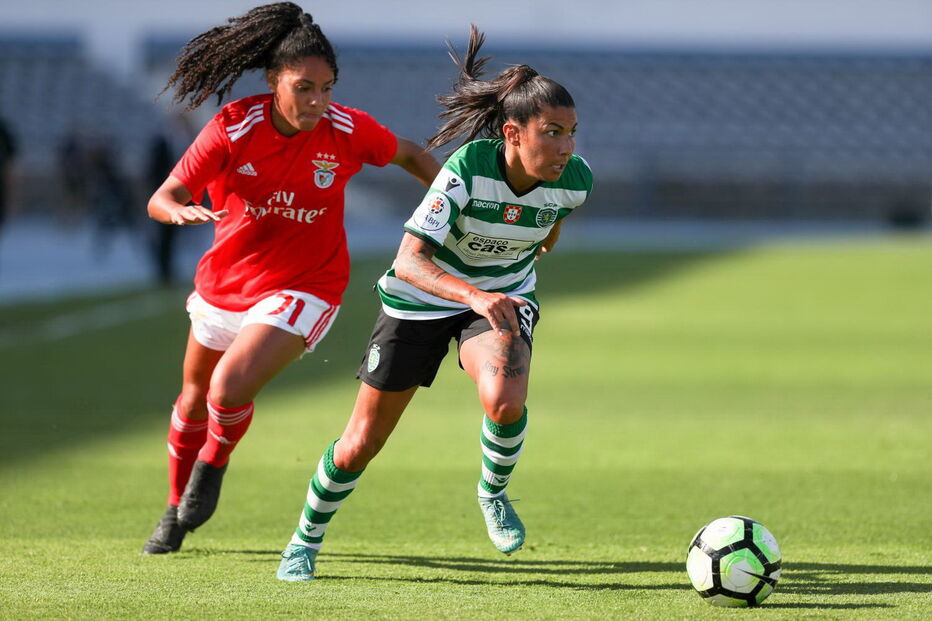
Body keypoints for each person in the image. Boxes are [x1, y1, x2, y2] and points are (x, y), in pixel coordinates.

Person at [276, 26, 593, 582]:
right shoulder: (468, 168)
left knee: (504, 398)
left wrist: (516, 272)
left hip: (498, 299)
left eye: (571, 132)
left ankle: (492, 493)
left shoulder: (575, 180)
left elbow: (550, 225)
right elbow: (408, 261)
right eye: (553, 133)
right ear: (513, 133)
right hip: (419, 299)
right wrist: (474, 292)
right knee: (359, 446)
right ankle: (304, 539)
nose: (566, 147)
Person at [142, 2, 440, 555]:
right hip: (224, 285)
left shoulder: (348, 130)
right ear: (275, 80)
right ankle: (172, 509)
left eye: (327, 88)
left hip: (306, 284)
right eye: (305, 87)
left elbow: (410, 155)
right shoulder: (234, 127)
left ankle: (214, 465)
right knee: (191, 400)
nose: (318, 101)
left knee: (228, 388)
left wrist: (451, 207)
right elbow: (164, 197)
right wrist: (177, 210)